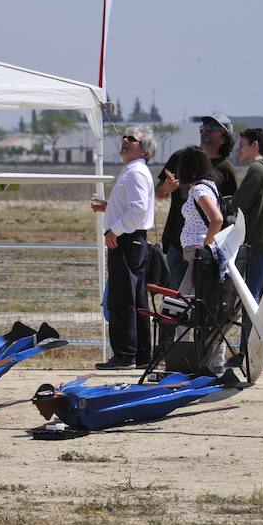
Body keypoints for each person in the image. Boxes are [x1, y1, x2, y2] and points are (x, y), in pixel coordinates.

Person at [90, 126, 156, 370]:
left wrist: (114, 231)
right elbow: (133, 208)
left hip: (127, 240)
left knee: (122, 299)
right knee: (135, 298)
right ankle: (140, 355)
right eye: (124, 137)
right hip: (133, 239)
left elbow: (137, 211)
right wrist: (109, 207)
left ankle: (125, 355)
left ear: (144, 148)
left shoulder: (136, 173)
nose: (125, 141)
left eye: (132, 139)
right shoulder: (135, 171)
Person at [156, 114, 238, 289]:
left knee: (197, 300)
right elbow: (158, 193)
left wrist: (207, 247)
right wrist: (165, 189)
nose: (206, 129)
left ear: (225, 136)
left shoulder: (226, 169)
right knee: (176, 300)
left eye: (214, 127)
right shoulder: (181, 157)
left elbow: (228, 211)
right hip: (176, 243)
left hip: (203, 249)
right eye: (204, 125)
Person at [230, 128, 263, 362]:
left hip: (262, 242)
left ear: (254, 146)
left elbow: (238, 203)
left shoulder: (257, 170)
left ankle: (247, 355)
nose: (238, 149)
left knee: (251, 300)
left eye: (242, 144)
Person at [175, 146, 224, 296]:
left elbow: (217, 219)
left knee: (185, 298)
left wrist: (205, 248)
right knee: (195, 296)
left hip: (198, 251)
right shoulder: (210, 186)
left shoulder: (199, 190)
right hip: (197, 250)